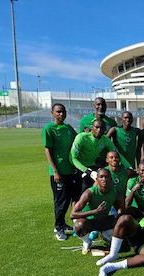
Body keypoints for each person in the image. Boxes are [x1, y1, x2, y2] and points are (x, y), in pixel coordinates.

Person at [42, 103, 80, 240]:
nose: (61, 114)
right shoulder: (49, 129)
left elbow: (78, 140)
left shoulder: (68, 128)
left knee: (70, 198)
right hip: (58, 173)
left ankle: (63, 224)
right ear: (52, 112)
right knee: (61, 201)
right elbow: (48, 150)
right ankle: (58, 228)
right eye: (58, 112)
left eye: (63, 112)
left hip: (71, 171)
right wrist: (55, 171)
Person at [71, 168, 124, 254]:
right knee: (79, 225)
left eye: (106, 177)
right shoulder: (89, 193)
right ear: (97, 179)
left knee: (119, 225)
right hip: (88, 221)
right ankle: (87, 241)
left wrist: (118, 218)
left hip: (103, 220)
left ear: (111, 179)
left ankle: (106, 236)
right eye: (101, 177)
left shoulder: (115, 192)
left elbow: (121, 209)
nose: (104, 179)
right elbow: (73, 214)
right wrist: (95, 211)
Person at [70, 119, 132, 190]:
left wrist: (129, 166)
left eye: (101, 128)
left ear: (105, 130)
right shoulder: (81, 137)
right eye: (97, 127)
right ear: (92, 128)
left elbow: (117, 154)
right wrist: (86, 170)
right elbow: (73, 158)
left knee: (91, 191)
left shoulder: (105, 140)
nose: (99, 130)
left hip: (91, 167)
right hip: (76, 166)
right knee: (76, 196)